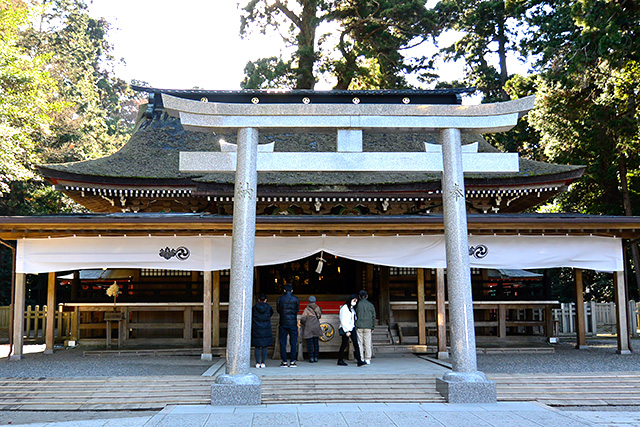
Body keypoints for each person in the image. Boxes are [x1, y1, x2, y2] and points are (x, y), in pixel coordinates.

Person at [337, 294, 365, 366]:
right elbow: (343, 320)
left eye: (356, 301)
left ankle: (359, 360)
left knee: (356, 344)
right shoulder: (345, 308)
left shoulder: (352, 308)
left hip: (351, 328)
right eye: (354, 300)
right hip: (346, 328)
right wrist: (346, 330)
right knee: (344, 344)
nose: (355, 302)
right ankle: (340, 360)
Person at [276, 283, 300, 367]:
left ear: (284, 290)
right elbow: (297, 310)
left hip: (283, 322)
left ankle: (284, 361)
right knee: (293, 342)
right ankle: (293, 361)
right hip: (293, 322)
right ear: (292, 290)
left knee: (283, 342)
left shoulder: (280, 299)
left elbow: (278, 310)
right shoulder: (295, 299)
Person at [251, 293, 273, 368]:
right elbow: (271, 314)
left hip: (256, 327)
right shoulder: (269, 307)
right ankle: (263, 363)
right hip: (266, 327)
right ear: (266, 300)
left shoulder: (254, 308)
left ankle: (257, 363)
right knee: (264, 346)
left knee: (257, 347)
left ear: (258, 299)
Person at [355, 289, 376, 365]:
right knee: (367, 343)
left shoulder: (357, 305)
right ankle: (368, 359)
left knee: (360, 343)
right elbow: (373, 316)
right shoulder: (371, 305)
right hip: (368, 326)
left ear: (359, 297)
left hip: (359, 325)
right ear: (367, 296)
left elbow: (355, 315)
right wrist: (373, 326)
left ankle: (361, 358)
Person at [300, 295, 322, 363]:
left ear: (308, 301)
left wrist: (302, 322)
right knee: (316, 343)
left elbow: (303, 318)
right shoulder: (317, 308)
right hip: (316, 326)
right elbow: (319, 316)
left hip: (308, 327)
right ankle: (316, 357)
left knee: (309, 343)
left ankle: (311, 357)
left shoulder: (307, 309)